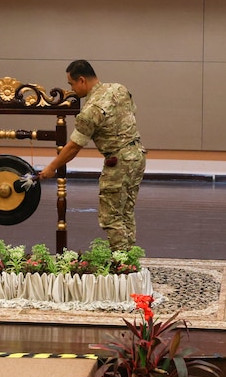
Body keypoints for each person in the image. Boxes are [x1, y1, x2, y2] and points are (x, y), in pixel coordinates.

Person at [40, 60, 146, 251]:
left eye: (71, 84)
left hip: (119, 162)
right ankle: (130, 260)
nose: (71, 89)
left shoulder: (90, 110)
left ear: (82, 80)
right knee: (126, 212)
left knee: (111, 216)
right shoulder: (119, 89)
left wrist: (51, 167)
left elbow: (73, 146)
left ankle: (120, 264)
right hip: (137, 156)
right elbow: (130, 114)